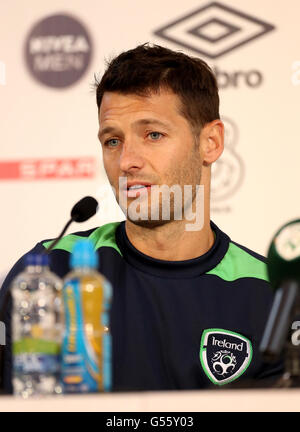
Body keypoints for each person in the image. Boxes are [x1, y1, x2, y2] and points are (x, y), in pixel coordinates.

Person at [0, 43, 282, 393]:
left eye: (153, 135)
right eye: (113, 140)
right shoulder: (50, 272)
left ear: (210, 142)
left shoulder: (271, 294)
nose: (126, 161)